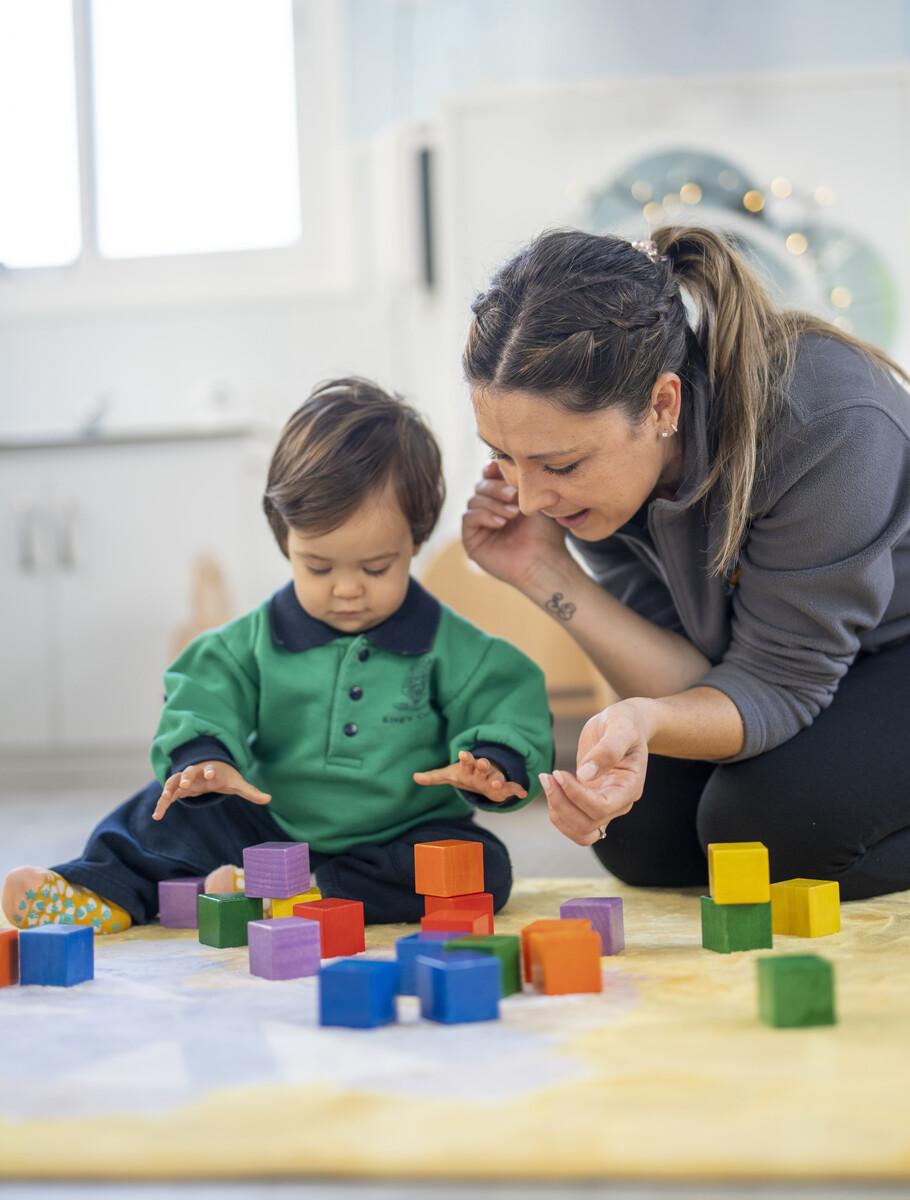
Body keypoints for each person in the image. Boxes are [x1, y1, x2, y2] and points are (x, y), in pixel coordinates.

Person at [2, 379, 552, 933]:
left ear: (416, 538)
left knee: (483, 868)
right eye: (318, 567)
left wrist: (494, 761)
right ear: (284, 538)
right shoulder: (253, 639)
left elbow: (506, 695)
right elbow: (204, 686)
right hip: (267, 824)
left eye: (376, 568)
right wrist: (203, 757)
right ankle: (101, 893)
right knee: (154, 814)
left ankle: (307, 895)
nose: (346, 590)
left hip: (400, 834)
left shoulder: (451, 644)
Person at [462, 226, 910, 901]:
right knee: (641, 834)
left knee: (767, 838)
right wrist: (542, 571)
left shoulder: (828, 418)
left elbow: (778, 687)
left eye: (559, 464)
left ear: (662, 404)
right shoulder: (604, 479)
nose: (529, 497)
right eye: (503, 455)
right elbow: (697, 677)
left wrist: (650, 722)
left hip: (894, 647)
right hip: (813, 662)